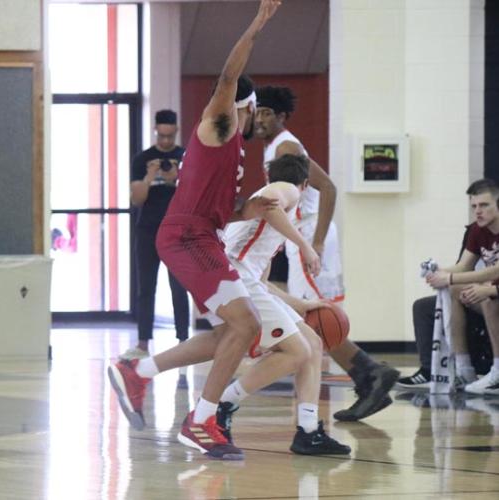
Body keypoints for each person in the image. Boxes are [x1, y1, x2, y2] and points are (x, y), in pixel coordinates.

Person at [108, 0, 282, 461]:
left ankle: (140, 371)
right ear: (248, 106)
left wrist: (252, 208)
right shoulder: (220, 125)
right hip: (186, 236)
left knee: (236, 330)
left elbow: (222, 208)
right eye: (256, 110)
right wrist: (259, 23)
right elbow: (228, 78)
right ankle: (202, 420)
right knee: (246, 325)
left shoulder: (234, 157)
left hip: (202, 235)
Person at [254, 85, 400, 421]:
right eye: (257, 112)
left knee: (314, 318)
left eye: (266, 113)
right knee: (312, 319)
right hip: (300, 236)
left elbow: (328, 186)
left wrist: (315, 242)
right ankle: (367, 375)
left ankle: (369, 372)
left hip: (308, 235)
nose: (260, 119)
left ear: (281, 117)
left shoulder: (286, 146)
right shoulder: (274, 147)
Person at [217, 154, 350, 456]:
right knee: (297, 350)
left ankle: (308, 430)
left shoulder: (270, 213)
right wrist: (305, 246)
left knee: (312, 343)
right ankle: (221, 403)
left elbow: (261, 284)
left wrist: (299, 305)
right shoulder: (286, 188)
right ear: (306, 184)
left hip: (242, 279)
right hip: (235, 276)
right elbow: (269, 200)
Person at [120, 109, 190, 361]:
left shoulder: (185, 157)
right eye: (161, 136)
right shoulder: (142, 160)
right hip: (147, 230)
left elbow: (192, 195)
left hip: (176, 232)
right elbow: (137, 199)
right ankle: (142, 343)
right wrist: (150, 176)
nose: (165, 142)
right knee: (146, 287)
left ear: (176, 132)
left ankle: (183, 339)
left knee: (179, 287)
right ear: (155, 131)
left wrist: (175, 178)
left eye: (170, 136)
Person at [426, 179, 499, 395]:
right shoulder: (478, 230)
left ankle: (497, 372)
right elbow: (463, 266)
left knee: (486, 296)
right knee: (455, 291)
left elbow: (495, 271)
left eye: (484, 205)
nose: (478, 212)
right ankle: (464, 369)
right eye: (474, 206)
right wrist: (438, 272)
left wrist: (450, 278)